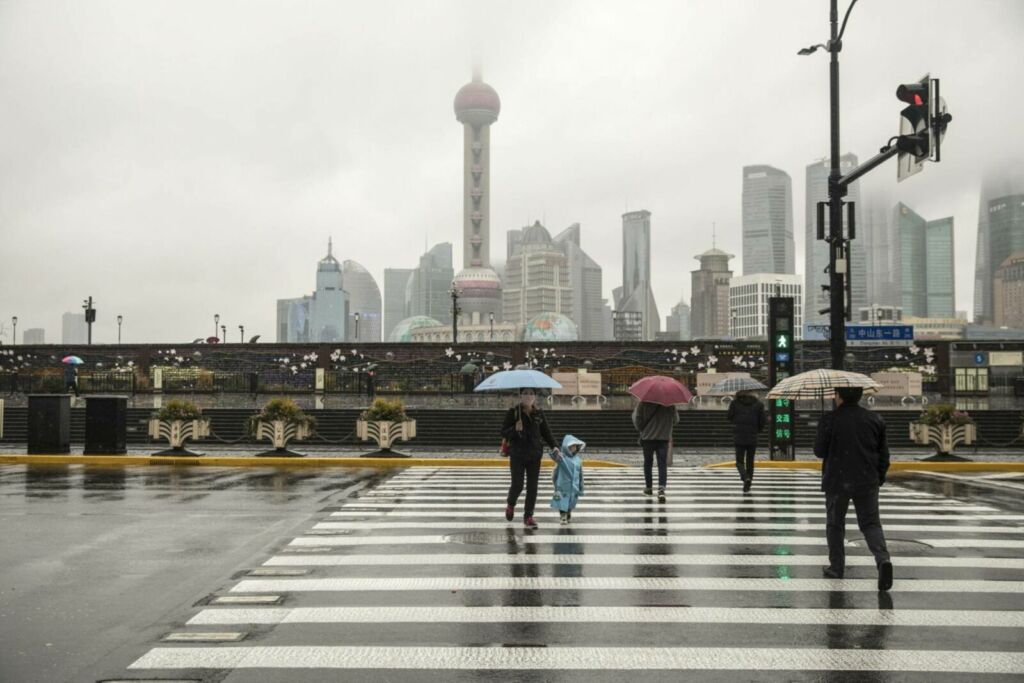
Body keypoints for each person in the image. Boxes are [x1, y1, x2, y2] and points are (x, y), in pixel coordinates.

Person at [814, 386, 894, 591]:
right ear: (859, 396)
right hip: (866, 479)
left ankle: (837, 566)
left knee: (835, 524)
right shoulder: (874, 419)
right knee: (870, 524)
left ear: (838, 396)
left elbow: (819, 451)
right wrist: (879, 477)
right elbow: (884, 454)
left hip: (837, 481)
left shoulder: (830, 419)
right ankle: (882, 559)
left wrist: (823, 428)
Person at [502, 388, 559, 528]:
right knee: (518, 484)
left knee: (532, 487)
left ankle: (528, 516)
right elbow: (503, 432)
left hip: (534, 454)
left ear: (535, 396)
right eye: (525, 393)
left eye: (531, 393)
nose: (528, 396)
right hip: (517, 454)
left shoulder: (539, 413)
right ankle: (511, 503)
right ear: (521, 395)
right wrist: (515, 429)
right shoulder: (514, 412)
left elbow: (546, 431)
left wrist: (554, 446)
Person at [632, 400, 679, 502]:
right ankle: (661, 489)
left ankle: (649, 488)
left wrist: (644, 428)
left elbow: (637, 422)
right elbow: (675, 420)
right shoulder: (670, 403)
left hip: (647, 438)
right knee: (662, 464)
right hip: (663, 438)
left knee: (648, 463)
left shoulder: (643, 403)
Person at [727, 390, 766, 492]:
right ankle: (748, 482)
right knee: (750, 461)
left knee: (739, 461)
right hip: (752, 435)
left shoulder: (735, 403)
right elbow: (762, 421)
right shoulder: (758, 404)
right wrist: (758, 430)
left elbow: (729, 417)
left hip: (739, 435)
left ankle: (745, 477)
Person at [550, 435, 585, 525]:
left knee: (571, 502)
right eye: (571, 446)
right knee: (562, 502)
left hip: (574, 486)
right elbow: (555, 467)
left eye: (574, 446)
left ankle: (568, 513)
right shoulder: (562, 458)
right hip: (563, 486)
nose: (573, 448)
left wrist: (581, 486)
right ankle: (563, 516)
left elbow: (580, 474)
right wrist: (555, 484)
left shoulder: (578, 460)